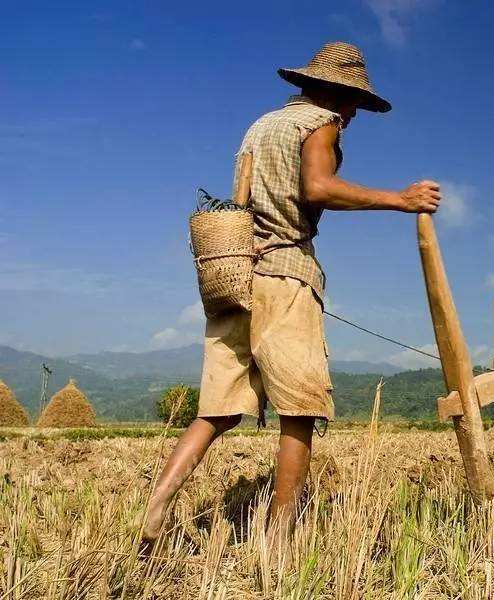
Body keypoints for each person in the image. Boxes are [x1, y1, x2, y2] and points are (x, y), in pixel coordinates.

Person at [141, 41, 441, 547]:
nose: (352, 115)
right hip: (284, 275)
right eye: (353, 103)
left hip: (234, 276)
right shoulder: (319, 123)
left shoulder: (258, 128)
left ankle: (154, 509)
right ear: (333, 93)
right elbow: (318, 188)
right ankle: (279, 539)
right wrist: (400, 199)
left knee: (215, 410)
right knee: (300, 410)